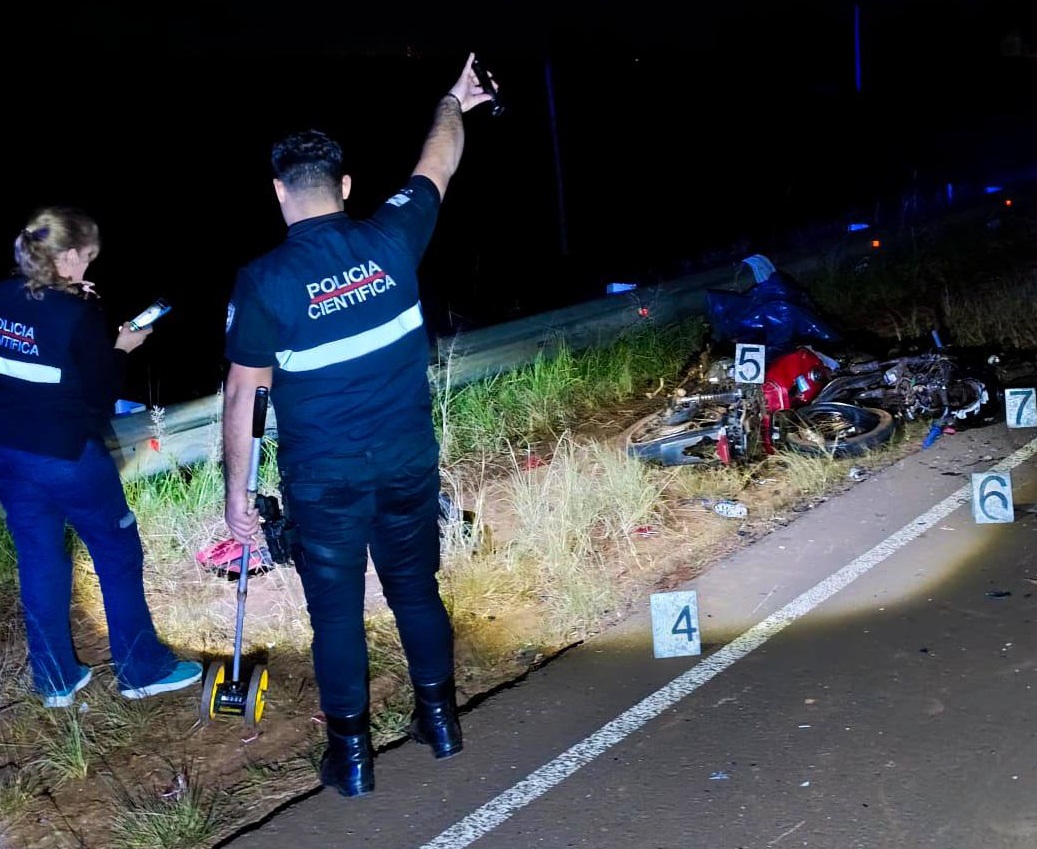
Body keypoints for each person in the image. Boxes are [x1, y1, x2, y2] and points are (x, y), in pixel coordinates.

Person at [222, 52, 497, 797]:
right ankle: (439, 721)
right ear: (344, 188)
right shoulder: (392, 238)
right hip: (407, 462)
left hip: (325, 481)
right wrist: (453, 97)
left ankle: (350, 759)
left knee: (336, 612)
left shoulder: (264, 282)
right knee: (415, 589)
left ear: (279, 193)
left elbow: (243, 393)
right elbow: (438, 159)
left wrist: (236, 498)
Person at [0, 206, 203, 708]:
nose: (88, 269)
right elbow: (100, 394)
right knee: (117, 553)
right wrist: (121, 346)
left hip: (10, 453)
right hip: (68, 456)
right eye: (86, 260)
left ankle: (55, 679)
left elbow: (36, 341)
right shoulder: (79, 316)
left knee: (39, 556)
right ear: (67, 256)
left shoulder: (4, 295)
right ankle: (142, 668)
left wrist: (77, 310)